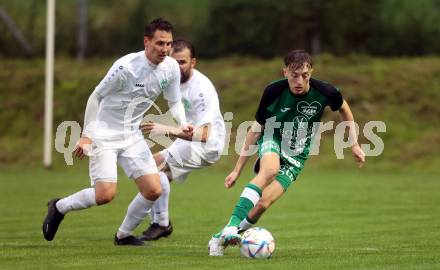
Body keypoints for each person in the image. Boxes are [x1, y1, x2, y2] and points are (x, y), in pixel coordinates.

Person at [42, 18, 192, 246]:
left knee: (154, 190)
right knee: (105, 195)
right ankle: (59, 206)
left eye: (169, 44)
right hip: (104, 135)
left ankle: (123, 235)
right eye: (160, 43)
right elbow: (96, 97)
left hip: (132, 135)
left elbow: (174, 101)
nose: (165, 49)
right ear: (146, 41)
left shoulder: (170, 67)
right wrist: (86, 136)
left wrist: (182, 124)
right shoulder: (126, 67)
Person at [208, 49, 366, 256]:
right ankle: (232, 225)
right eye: (294, 75)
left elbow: (344, 109)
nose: (299, 81)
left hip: (297, 154)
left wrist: (354, 144)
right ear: (285, 73)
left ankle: (219, 238)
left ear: (311, 73)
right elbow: (256, 129)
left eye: (305, 75)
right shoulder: (273, 92)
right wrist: (237, 169)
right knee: (269, 171)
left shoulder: (326, 92)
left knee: (263, 203)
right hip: (272, 137)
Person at [139, 38, 225, 241]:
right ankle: (159, 223)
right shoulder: (170, 78)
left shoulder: (202, 90)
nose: (176, 67)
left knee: (152, 169)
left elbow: (204, 135)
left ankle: (160, 223)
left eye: (182, 62)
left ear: (193, 62)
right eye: (173, 61)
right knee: (152, 171)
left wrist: (166, 129)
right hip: (187, 140)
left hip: (207, 145)